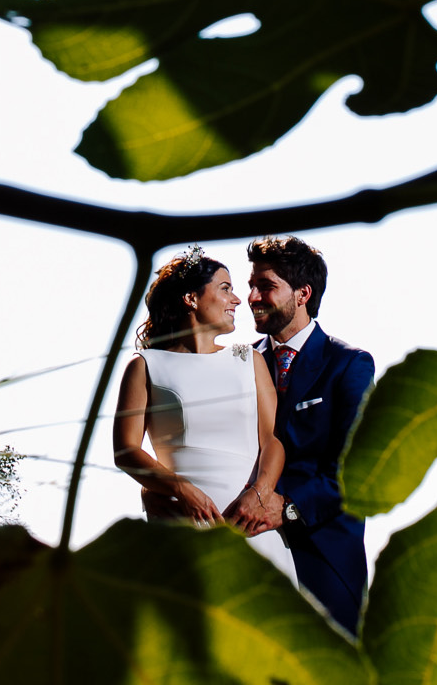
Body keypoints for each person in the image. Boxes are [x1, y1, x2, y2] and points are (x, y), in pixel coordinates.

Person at [112, 248, 294, 572]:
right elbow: (125, 450)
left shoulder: (248, 360)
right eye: (225, 288)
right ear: (191, 299)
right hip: (181, 526)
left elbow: (272, 440)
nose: (238, 300)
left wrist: (260, 493)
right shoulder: (145, 365)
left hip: (253, 526)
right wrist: (181, 490)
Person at [239, 235, 374, 633]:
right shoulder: (238, 364)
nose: (251, 297)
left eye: (265, 285)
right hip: (249, 549)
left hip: (324, 555)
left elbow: (354, 468)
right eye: (250, 285)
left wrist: (287, 507)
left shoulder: (348, 365)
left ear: (303, 294)